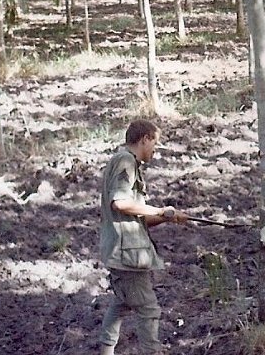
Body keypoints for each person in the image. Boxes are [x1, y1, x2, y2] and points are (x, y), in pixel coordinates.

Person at [99, 119, 188, 355]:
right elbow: (120, 203)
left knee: (122, 303)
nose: (155, 150)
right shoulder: (126, 161)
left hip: (124, 250)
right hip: (126, 252)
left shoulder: (128, 163)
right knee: (148, 309)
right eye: (155, 143)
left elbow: (138, 216)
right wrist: (160, 210)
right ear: (144, 139)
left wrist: (166, 217)